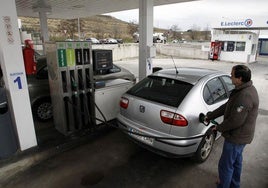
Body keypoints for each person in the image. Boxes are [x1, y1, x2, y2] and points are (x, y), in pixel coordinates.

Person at [205, 65, 259, 188]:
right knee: (236, 162)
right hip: (241, 137)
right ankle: (234, 185)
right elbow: (226, 107)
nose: (230, 76)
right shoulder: (243, 89)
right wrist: (210, 116)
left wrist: (218, 128)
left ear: (239, 78)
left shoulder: (245, 95)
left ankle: (224, 185)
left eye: (232, 75)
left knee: (226, 165)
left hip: (236, 137)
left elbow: (235, 121)